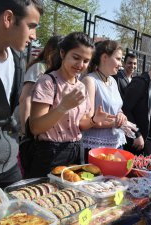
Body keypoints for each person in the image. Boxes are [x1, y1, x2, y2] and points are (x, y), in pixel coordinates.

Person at [28, 32, 114, 178]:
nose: (80, 65)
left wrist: (94, 120)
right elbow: (35, 127)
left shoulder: (81, 86)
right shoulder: (48, 82)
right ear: (62, 53)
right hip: (50, 154)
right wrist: (63, 107)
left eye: (86, 61)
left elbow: (80, 124)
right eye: (76, 57)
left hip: (75, 152)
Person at [0, 0, 43, 188]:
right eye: (31, 26)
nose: (34, 36)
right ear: (8, 18)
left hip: (10, 166)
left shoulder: (17, 59)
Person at [82, 40, 128, 162]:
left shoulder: (112, 81)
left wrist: (121, 115)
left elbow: (117, 108)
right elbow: (88, 119)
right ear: (104, 57)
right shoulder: (90, 81)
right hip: (98, 148)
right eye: (118, 59)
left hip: (117, 143)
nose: (120, 64)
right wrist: (116, 123)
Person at [19, 35, 63, 134]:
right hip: (33, 128)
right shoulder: (40, 67)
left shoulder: (57, 71)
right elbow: (25, 98)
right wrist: (26, 130)